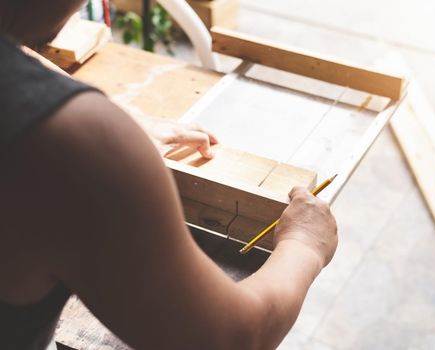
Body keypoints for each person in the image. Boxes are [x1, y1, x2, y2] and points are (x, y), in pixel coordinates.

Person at [0, 1, 338, 349]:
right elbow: (231, 338)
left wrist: (103, 109)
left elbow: (14, 50)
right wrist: (305, 245)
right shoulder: (65, 147)